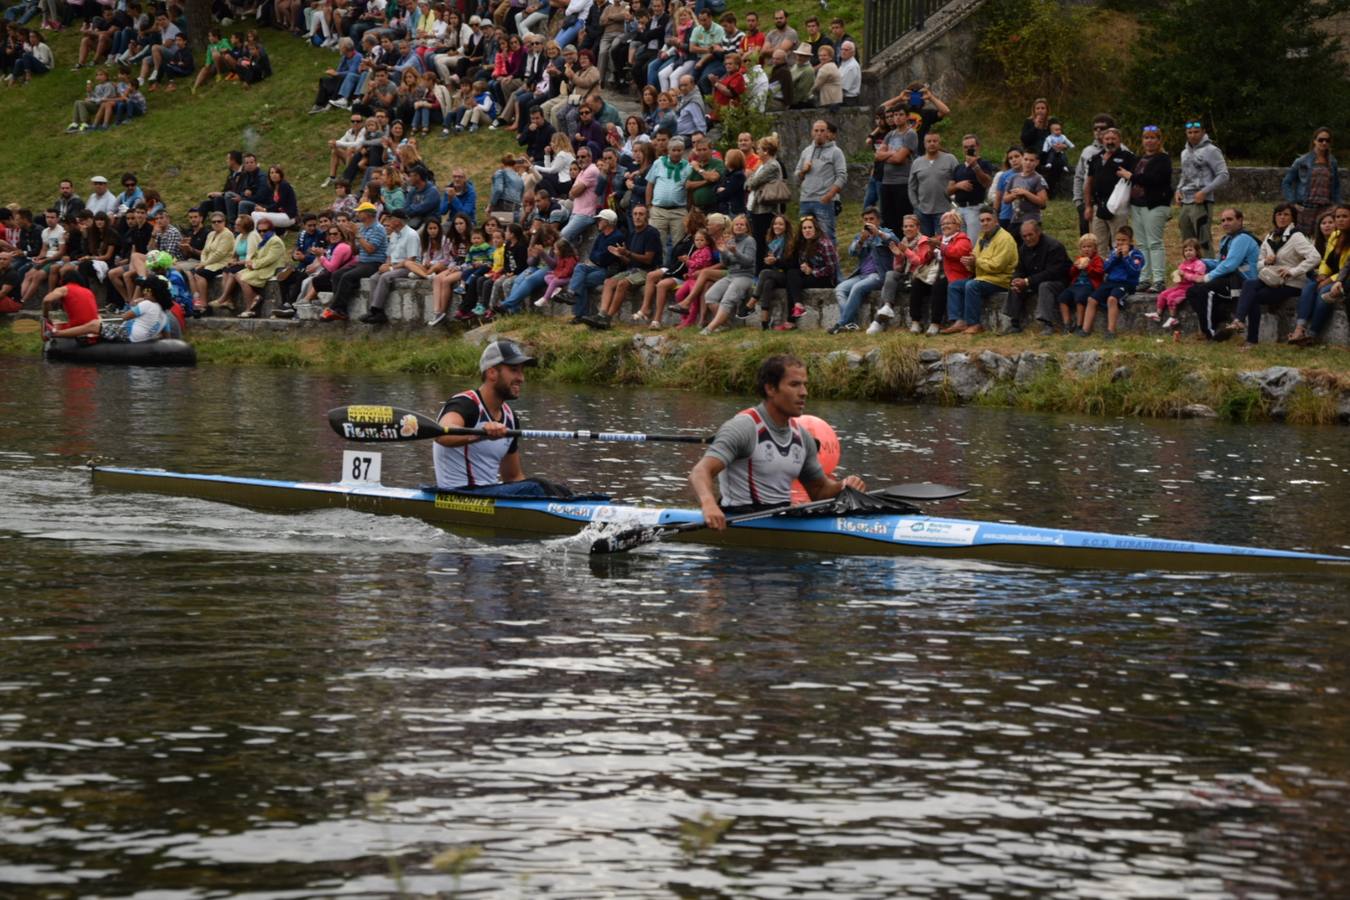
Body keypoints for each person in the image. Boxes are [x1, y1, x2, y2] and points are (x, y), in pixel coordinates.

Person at [690, 354, 864, 530]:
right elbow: (700, 471)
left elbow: (819, 492)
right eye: (794, 384)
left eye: (805, 385)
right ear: (771, 389)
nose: (804, 392)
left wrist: (843, 486)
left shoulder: (802, 438)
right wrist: (709, 505)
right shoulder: (744, 427)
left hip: (781, 518)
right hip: (740, 522)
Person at [433, 340, 539, 494]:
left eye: (522, 371)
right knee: (537, 487)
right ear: (492, 373)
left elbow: (513, 477)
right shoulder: (465, 404)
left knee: (552, 489)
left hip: (489, 496)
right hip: (457, 494)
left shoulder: (510, 418)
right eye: (514, 370)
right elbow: (441, 434)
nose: (521, 378)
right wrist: (480, 434)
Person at [1224, 204, 1321, 349]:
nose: (1282, 218)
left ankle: (1251, 340)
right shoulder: (1270, 236)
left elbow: (1315, 257)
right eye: (1279, 214)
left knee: (1253, 297)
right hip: (1271, 279)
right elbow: (1257, 264)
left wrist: (1293, 271)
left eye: (1286, 214)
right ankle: (1239, 321)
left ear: (1292, 218)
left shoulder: (1296, 236)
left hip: (1292, 284)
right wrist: (1266, 261)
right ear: (1274, 217)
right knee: (1249, 284)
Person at [1185, 208, 1260, 340]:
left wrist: (1206, 277)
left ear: (1240, 220)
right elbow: (1220, 263)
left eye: (1229, 219)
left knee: (1204, 290)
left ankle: (1209, 332)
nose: (1225, 223)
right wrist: (1198, 262)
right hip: (1228, 279)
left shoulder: (1243, 238)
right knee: (1192, 291)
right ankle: (1219, 323)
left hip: (1242, 282)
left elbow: (1230, 264)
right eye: (1223, 220)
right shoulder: (1226, 239)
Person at [941, 206, 1016, 336]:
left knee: (972, 285)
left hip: (1000, 279)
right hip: (984, 277)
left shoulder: (1005, 239)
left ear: (996, 221)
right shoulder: (983, 236)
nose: (985, 223)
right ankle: (959, 321)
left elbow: (998, 266)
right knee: (955, 286)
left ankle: (974, 324)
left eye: (988, 219)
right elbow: (975, 257)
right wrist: (969, 263)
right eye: (982, 220)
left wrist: (975, 262)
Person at [831, 208, 896, 334]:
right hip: (862, 274)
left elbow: (894, 241)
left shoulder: (886, 233)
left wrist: (878, 234)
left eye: (871, 219)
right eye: (866, 219)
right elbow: (852, 252)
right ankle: (851, 324)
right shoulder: (860, 236)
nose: (868, 222)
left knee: (857, 288)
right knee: (840, 289)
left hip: (878, 275)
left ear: (878, 220)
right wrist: (861, 241)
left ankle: (841, 323)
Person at [796, 120, 847, 271]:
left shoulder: (836, 152)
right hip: (805, 199)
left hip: (823, 201)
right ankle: (807, 270)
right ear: (812, 132)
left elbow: (842, 176)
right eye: (816, 130)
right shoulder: (806, 151)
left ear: (827, 133)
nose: (819, 133)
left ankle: (835, 275)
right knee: (804, 237)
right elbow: (796, 176)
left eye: (822, 130)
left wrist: (830, 194)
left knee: (827, 238)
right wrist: (803, 171)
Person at [321, 201, 386, 321]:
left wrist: (357, 235)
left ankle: (335, 308)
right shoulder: (363, 229)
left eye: (360, 212)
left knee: (347, 277)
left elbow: (370, 249)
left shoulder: (378, 229)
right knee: (337, 274)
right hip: (362, 262)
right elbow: (356, 252)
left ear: (368, 214)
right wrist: (352, 238)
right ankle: (341, 310)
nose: (358, 214)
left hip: (374, 263)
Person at [1128, 126, 1173, 293]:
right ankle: (1144, 278)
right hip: (1137, 205)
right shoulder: (1139, 159)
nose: (1149, 141)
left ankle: (1159, 279)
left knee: (1154, 242)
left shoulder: (1163, 159)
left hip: (1154, 205)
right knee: (1141, 244)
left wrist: (1132, 177)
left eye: (1153, 137)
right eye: (1146, 137)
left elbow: (1156, 179)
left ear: (1159, 140)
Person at [1006, 219, 1070, 335]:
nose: (1027, 239)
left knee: (1045, 286)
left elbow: (1053, 272)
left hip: (1059, 282)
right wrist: (1016, 280)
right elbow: (1019, 269)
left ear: (1038, 232)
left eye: (1030, 235)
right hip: (1034, 281)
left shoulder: (1054, 246)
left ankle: (1048, 324)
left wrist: (1027, 281)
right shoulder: (1023, 249)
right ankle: (1014, 323)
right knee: (1015, 285)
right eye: (1024, 236)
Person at [1175, 119, 1229, 256]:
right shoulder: (1184, 153)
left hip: (1201, 202)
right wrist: (1178, 190)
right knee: (1187, 243)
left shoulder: (1211, 150)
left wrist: (1205, 192)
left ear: (1203, 132)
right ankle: (1190, 271)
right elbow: (1184, 174)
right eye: (1190, 132)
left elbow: (1223, 175)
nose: (1193, 135)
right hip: (1185, 201)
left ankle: (1209, 272)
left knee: (1203, 241)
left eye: (1196, 132)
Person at [1079, 226, 1144, 340]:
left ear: (1130, 241)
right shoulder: (1113, 252)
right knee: (1091, 299)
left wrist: (1125, 257)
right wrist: (1115, 257)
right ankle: (1085, 329)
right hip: (1110, 282)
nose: (1120, 243)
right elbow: (1105, 268)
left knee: (1112, 299)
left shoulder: (1136, 254)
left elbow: (1134, 271)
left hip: (1126, 284)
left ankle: (1111, 331)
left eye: (1124, 240)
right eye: (1118, 240)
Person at [1283, 127, 1340, 236]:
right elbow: (1286, 182)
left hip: (1326, 209)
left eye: (1327, 140)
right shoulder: (1302, 161)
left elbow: (1336, 186)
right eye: (1321, 139)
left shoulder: (1332, 162)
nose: (1324, 143)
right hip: (1306, 208)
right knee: (1304, 240)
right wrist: (1293, 203)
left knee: (1325, 240)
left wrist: (1337, 205)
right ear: (1314, 141)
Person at [1072, 114, 1118, 237]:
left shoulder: (1122, 151)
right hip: (1087, 202)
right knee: (1087, 240)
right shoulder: (1087, 151)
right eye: (1095, 128)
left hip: (1112, 202)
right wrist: (1078, 202)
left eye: (1102, 128)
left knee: (1113, 239)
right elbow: (1079, 176)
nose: (1098, 131)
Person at [875, 107, 916, 235]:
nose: (897, 117)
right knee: (887, 219)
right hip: (887, 182)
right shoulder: (890, 134)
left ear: (907, 116)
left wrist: (886, 155)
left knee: (902, 219)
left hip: (902, 183)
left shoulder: (910, 134)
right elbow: (877, 155)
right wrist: (892, 153)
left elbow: (899, 159)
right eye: (895, 115)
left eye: (900, 114)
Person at [907, 131, 956, 237]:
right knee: (925, 243)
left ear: (939, 142)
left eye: (935, 141)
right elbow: (911, 186)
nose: (932, 143)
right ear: (924, 144)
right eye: (929, 141)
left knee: (944, 241)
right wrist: (916, 206)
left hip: (944, 210)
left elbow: (958, 179)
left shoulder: (950, 159)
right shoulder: (917, 163)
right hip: (923, 211)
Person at [949, 134, 995, 239]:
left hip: (975, 209)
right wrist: (958, 185)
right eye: (965, 147)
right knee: (959, 242)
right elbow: (948, 191)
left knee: (973, 243)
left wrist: (975, 166)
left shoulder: (984, 164)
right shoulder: (958, 168)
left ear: (978, 147)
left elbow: (987, 183)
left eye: (972, 147)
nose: (968, 149)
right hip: (959, 208)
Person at [41, 269, 102, 342]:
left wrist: (45, 316)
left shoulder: (64, 289)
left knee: (57, 315)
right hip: (93, 326)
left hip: (77, 326)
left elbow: (46, 300)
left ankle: (49, 340)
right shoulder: (88, 291)